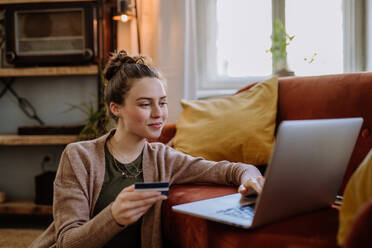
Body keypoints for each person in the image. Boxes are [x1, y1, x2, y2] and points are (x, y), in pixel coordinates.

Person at [30, 50, 264, 248]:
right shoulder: (79, 157)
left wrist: (251, 179)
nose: (158, 113)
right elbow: (67, 242)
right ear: (116, 108)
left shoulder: (163, 159)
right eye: (145, 104)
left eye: (162, 102)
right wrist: (114, 216)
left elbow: (230, 170)